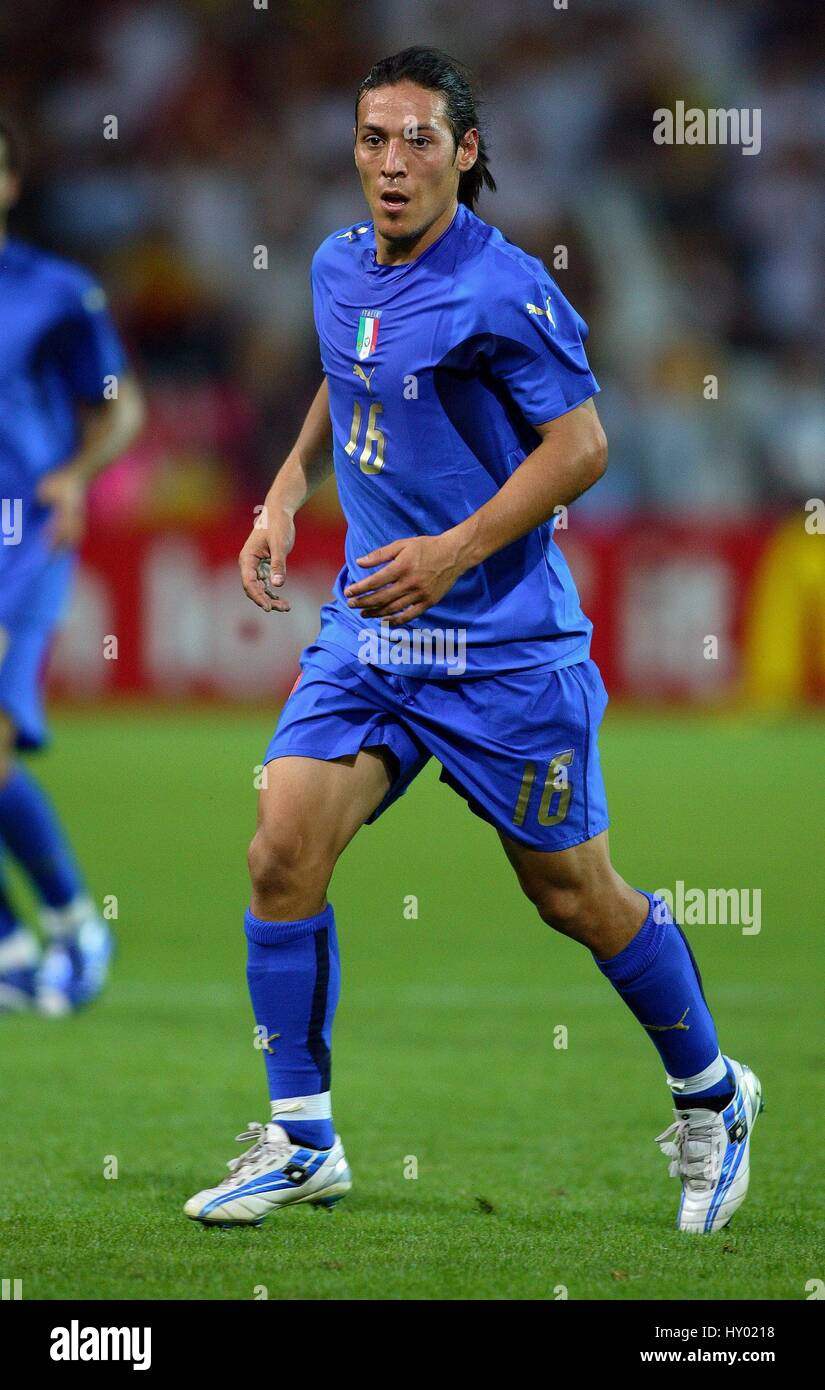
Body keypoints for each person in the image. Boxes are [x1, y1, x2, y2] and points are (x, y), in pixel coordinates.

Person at [185, 48, 762, 1234]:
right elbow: (349, 380)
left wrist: (450, 551)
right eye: (372, 141)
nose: (391, 166)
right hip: (372, 636)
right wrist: (287, 490)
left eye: (418, 142)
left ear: (467, 152)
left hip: (501, 651)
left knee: (575, 897)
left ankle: (715, 1094)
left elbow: (584, 446)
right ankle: (303, 1140)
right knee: (278, 850)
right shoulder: (337, 264)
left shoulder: (503, 288)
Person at [0, 117, 144, 1015]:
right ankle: (15, 946)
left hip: (23, 538)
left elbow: (119, 406)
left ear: (10, 185)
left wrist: (78, 473)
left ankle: (71, 923)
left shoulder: (54, 293)